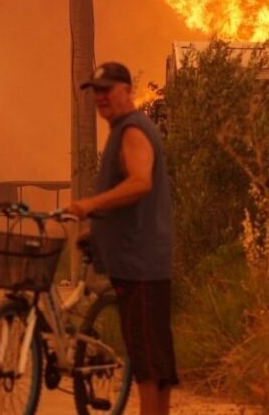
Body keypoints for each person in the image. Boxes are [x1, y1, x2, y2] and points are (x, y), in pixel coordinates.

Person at [64, 62, 178, 415]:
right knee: (153, 359)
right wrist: (96, 232)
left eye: (107, 89)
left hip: (140, 264)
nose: (100, 97)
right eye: (95, 91)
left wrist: (89, 205)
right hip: (141, 261)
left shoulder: (131, 130)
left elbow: (139, 182)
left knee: (147, 363)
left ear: (127, 91)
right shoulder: (123, 129)